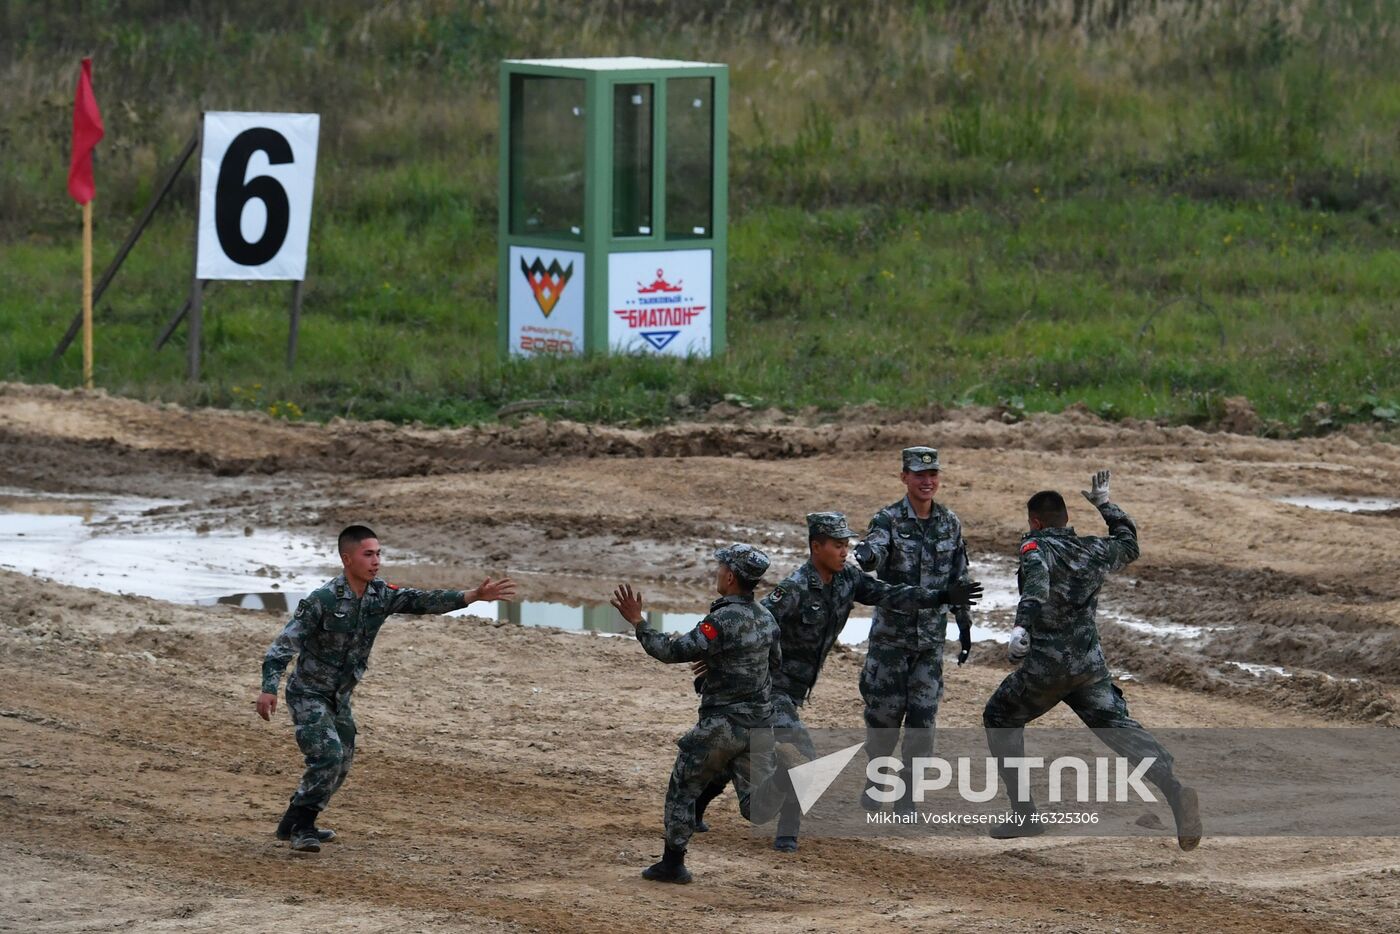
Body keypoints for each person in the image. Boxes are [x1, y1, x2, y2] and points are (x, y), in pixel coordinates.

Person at [690, 512, 984, 851]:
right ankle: (788, 832)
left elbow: (891, 594)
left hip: (792, 690)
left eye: (847, 544)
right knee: (801, 754)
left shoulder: (848, 581)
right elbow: (749, 622)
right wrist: (717, 661)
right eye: (838, 545)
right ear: (816, 546)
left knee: (740, 748)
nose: (845, 551)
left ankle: (696, 807)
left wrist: (942, 596)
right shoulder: (795, 588)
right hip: (768, 687)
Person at [257, 524, 518, 853]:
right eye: (368, 554)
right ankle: (303, 829)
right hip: (308, 693)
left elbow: (422, 600)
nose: (376, 561)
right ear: (347, 559)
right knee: (328, 756)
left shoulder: (381, 595)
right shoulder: (322, 600)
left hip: (340, 698)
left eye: (379, 554)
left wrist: (472, 596)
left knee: (342, 764)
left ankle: (292, 820)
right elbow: (282, 647)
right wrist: (269, 689)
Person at [983, 470, 1201, 850]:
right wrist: (1105, 504)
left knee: (999, 716)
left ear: (1035, 522)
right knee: (1119, 730)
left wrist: (1020, 627)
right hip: (1088, 668)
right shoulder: (1092, 549)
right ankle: (1175, 790)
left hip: (1046, 669)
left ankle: (1025, 813)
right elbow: (1129, 545)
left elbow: (1035, 584)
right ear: (1067, 520)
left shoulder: (1035, 547)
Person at [611, 543, 799, 884]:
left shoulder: (721, 620)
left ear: (730, 577)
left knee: (684, 787)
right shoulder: (766, 619)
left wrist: (638, 621)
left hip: (722, 725)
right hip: (758, 724)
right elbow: (774, 664)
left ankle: (672, 864)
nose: (717, 573)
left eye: (719, 569)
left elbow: (671, 651)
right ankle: (783, 779)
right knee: (755, 807)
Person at [853, 446, 976, 812]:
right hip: (891, 640)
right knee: (884, 720)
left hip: (929, 644)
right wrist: (867, 556)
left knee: (923, 720)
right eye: (919, 475)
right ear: (904, 477)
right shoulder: (888, 519)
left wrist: (964, 623)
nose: (927, 481)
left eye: (932, 474)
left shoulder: (949, 523)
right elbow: (874, 549)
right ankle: (878, 780)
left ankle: (908, 796)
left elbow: (959, 578)